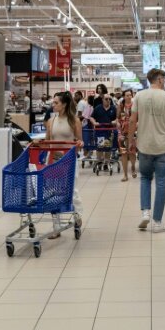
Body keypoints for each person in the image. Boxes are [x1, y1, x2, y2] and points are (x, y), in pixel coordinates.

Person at [128, 69, 165, 233]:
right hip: (163, 145)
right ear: (159, 79)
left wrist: (131, 140)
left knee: (145, 178)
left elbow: (132, 120)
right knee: (161, 183)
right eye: (164, 78)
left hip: (144, 144)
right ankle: (157, 222)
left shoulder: (139, 96)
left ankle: (145, 212)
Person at [43, 91, 84, 238]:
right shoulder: (51, 121)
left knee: (72, 190)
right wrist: (38, 144)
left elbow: (80, 141)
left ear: (64, 104)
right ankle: (56, 227)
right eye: (53, 103)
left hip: (70, 159)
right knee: (52, 192)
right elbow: (47, 141)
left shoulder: (74, 121)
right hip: (53, 159)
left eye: (56, 103)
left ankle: (77, 215)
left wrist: (79, 143)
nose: (53, 105)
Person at [89, 94, 117, 170]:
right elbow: (91, 117)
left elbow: (118, 118)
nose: (108, 101)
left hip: (109, 131)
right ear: (103, 100)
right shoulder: (98, 108)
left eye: (109, 99)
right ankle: (99, 162)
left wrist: (115, 121)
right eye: (106, 99)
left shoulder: (113, 108)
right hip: (99, 131)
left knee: (108, 148)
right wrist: (94, 122)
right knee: (100, 148)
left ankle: (106, 164)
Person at [117, 89, 137, 181]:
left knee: (132, 152)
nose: (129, 97)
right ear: (124, 96)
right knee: (123, 153)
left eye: (130, 95)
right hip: (122, 131)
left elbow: (138, 118)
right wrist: (117, 123)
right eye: (127, 95)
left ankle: (133, 167)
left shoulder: (135, 105)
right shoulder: (120, 106)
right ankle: (125, 174)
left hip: (133, 131)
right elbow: (117, 118)